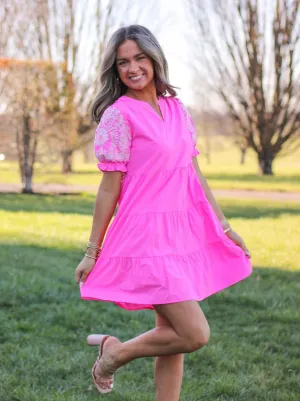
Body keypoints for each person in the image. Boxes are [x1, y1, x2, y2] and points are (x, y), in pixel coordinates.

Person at [75, 24, 252, 399]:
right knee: (193, 333)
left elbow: (194, 172)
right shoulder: (119, 116)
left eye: (140, 58)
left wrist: (224, 226)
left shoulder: (176, 108)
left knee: (172, 337)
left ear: (154, 59)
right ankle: (113, 354)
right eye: (123, 62)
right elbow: (109, 187)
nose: (133, 68)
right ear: (114, 69)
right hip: (146, 237)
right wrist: (93, 250)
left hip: (181, 234)